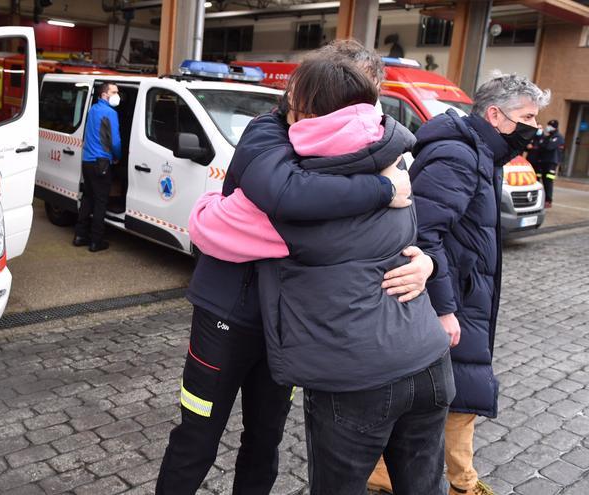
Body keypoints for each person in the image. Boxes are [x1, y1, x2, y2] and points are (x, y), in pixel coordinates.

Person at [155, 41, 436, 495]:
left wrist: (427, 261)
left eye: (366, 95)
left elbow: (397, 231)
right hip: (228, 313)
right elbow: (285, 194)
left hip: (288, 322)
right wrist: (382, 191)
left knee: (265, 438)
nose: (357, 110)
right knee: (198, 435)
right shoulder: (267, 131)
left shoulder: (361, 145)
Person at [368, 74, 550, 495]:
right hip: (454, 301)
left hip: (465, 294)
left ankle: (393, 475)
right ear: (495, 115)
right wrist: (446, 308)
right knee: (457, 397)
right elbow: (423, 236)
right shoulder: (460, 156)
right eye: (527, 118)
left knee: (452, 393)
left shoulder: (483, 153)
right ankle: (459, 484)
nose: (533, 128)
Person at [74, 82, 121, 252]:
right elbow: (115, 141)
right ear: (104, 95)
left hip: (87, 161)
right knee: (101, 202)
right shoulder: (110, 113)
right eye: (114, 92)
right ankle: (96, 241)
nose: (117, 95)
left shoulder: (92, 110)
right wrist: (118, 157)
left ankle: (80, 236)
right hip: (102, 162)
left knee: (88, 198)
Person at [535, 119, 565, 207]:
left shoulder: (558, 137)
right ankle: (542, 199)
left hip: (552, 162)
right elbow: (541, 145)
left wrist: (544, 144)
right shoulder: (548, 137)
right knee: (541, 180)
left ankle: (548, 200)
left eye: (550, 126)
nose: (548, 127)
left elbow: (549, 147)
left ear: (554, 127)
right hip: (543, 162)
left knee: (548, 181)